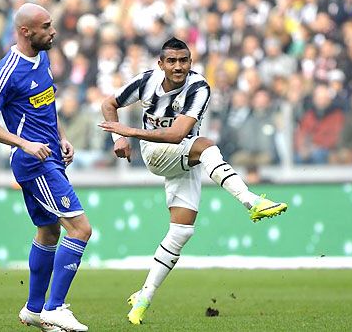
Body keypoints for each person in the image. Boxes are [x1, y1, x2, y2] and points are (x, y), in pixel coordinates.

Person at [99, 37, 288, 325]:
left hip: (183, 154)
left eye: (183, 60)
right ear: (161, 64)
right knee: (207, 145)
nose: (178, 66)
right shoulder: (145, 82)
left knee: (181, 231)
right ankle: (252, 201)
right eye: (171, 61)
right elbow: (109, 103)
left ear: (190, 62)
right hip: (158, 154)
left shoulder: (199, 87)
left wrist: (130, 131)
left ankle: (143, 297)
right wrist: (119, 137)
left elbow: (177, 134)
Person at [0, 3, 90, 332]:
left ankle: (34, 309)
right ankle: (55, 309)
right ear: (26, 31)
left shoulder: (43, 56)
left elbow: (48, 103)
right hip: (34, 162)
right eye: (46, 26)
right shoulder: (8, 70)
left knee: (49, 231)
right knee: (81, 229)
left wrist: (63, 137)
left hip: (51, 155)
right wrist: (22, 143)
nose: (53, 31)